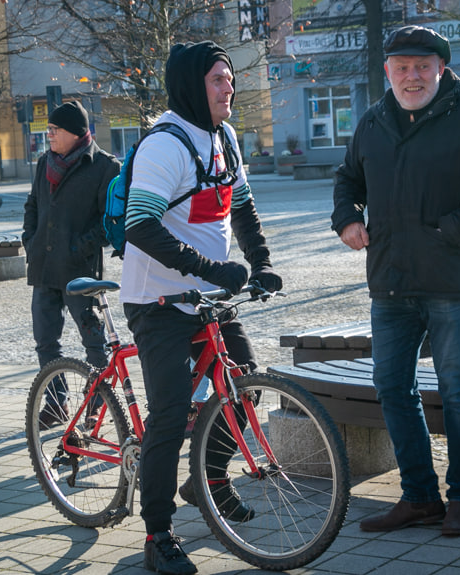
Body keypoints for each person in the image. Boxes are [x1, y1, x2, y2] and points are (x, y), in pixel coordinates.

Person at [331, 26, 460, 537]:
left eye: (422, 65)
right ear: (387, 70)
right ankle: (418, 498)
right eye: (401, 66)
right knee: (392, 387)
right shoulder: (373, 121)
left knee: (458, 390)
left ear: (440, 66)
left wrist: (453, 231)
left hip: (450, 279)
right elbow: (348, 177)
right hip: (389, 279)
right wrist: (347, 217)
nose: (411, 76)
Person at [119, 41, 282, 575]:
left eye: (230, 78)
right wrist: (214, 270)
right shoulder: (164, 146)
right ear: (192, 85)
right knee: (168, 416)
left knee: (245, 385)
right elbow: (140, 228)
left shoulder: (225, 137)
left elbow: (241, 205)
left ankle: (207, 479)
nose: (228, 87)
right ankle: (157, 534)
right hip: (157, 300)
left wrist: (259, 262)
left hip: (207, 298)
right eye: (218, 79)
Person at [22, 100, 121, 425]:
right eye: (48, 129)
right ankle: (56, 403)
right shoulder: (44, 163)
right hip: (44, 268)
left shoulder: (105, 166)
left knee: (93, 341)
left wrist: (79, 248)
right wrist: (30, 239)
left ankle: (95, 403)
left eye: (54, 130)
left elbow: (109, 221)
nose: (48, 135)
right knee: (45, 341)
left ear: (75, 133)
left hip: (81, 274)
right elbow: (33, 205)